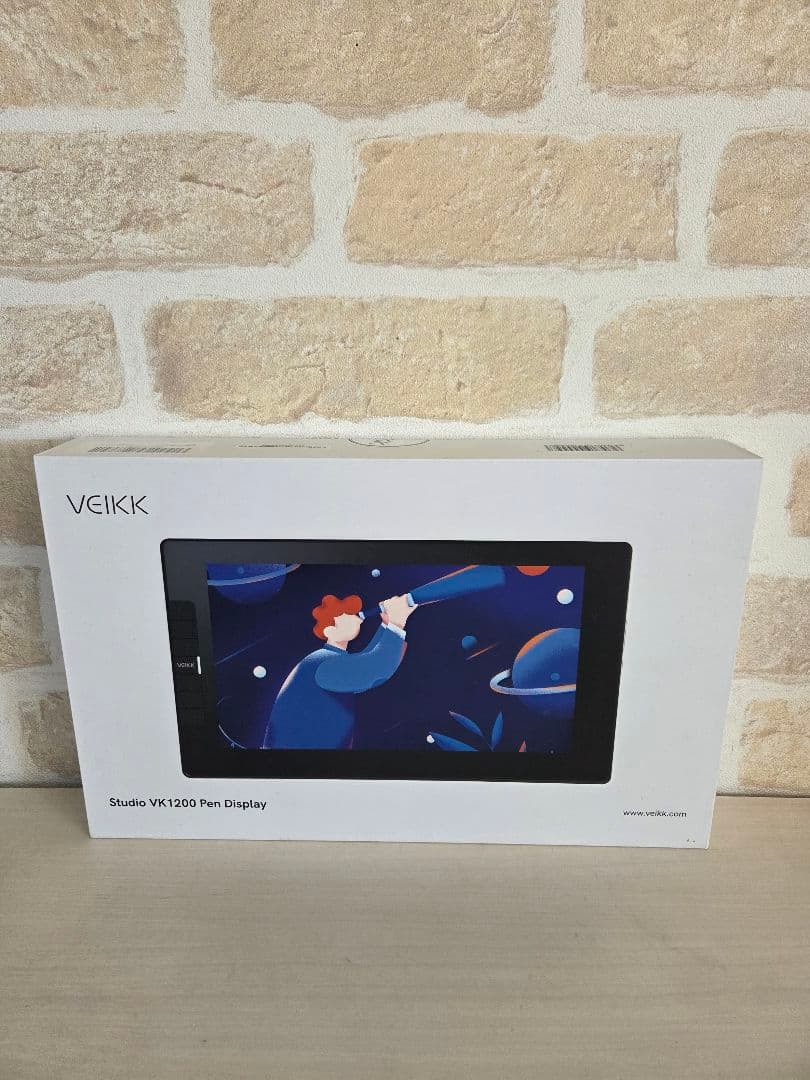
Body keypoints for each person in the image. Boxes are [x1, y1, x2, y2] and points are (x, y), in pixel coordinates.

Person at [262, 592, 417, 749]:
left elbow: (366, 664)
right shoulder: (323, 663)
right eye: (346, 615)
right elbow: (373, 670)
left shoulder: (329, 659)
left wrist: (387, 624)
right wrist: (396, 623)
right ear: (329, 630)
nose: (355, 616)